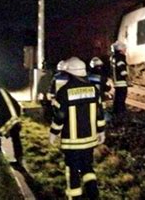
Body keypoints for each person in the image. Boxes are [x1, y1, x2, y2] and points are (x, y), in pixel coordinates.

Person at [49, 56, 106, 200]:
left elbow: (60, 116)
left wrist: (54, 133)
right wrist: (101, 131)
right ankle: (93, 194)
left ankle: (75, 197)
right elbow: (100, 113)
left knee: (72, 170)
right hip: (90, 139)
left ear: (69, 73)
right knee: (87, 167)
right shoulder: (94, 89)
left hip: (72, 142)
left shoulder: (64, 91)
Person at [110, 41, 128, 116]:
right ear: (120, 49)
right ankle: (121, 113)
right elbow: (122, 70)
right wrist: (126, 74)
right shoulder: (120, 57)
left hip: (116, 82)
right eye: (124, 48)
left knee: (117, 99)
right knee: (121, 99)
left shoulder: (112, 57)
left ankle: (116, 112)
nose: (125, 50)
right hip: (121, 83)